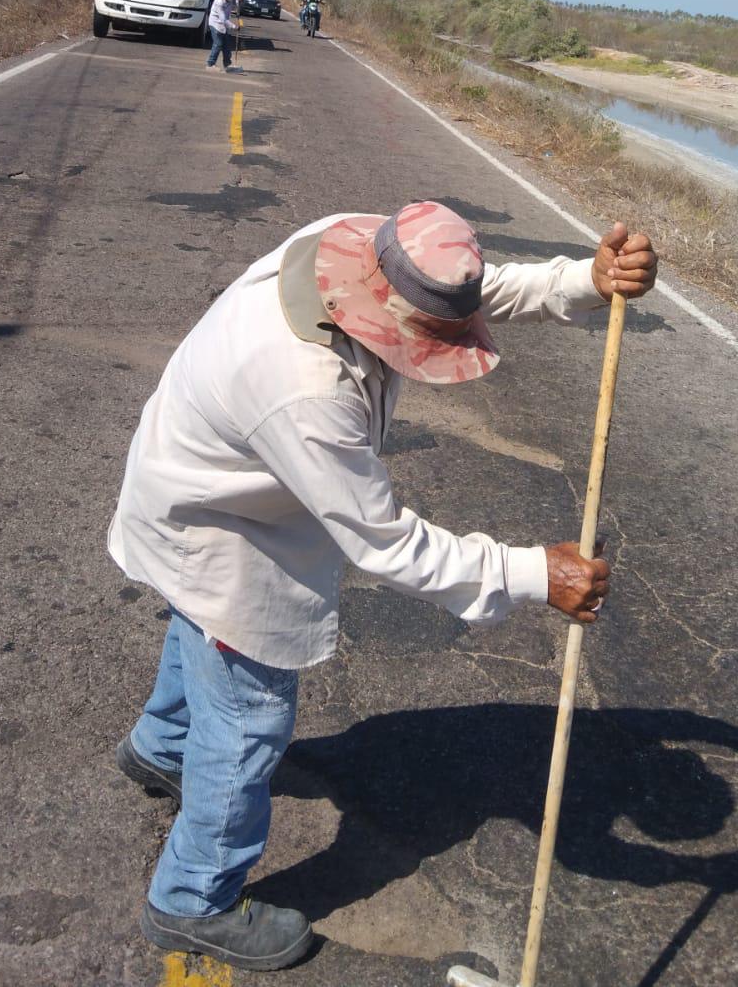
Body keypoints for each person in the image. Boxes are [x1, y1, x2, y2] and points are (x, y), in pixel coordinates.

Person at [109, 203, 657, 970]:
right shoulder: (301, 388)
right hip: (219, 526)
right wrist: (535, 570)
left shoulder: (361, 245)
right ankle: (190, 899)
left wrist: (582, 280)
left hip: (200, 483)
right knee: (247, 717)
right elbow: (388, 542)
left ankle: (160, 746)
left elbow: (464, 290)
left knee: (198, 631)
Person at [206, 0, 240, 72]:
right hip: (215, 23)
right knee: (218, 44)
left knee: (226, 45)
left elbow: (236, 1)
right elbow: (223, 20)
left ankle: (227, 65)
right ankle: (210, 64)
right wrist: (234, 26)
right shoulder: (219, 2)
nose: (231, 1)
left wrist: (238, 2)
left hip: (224, 25)